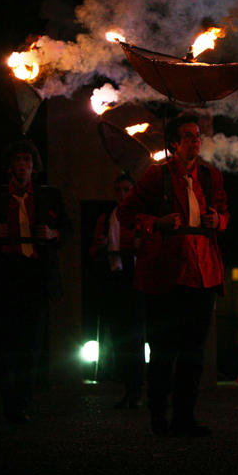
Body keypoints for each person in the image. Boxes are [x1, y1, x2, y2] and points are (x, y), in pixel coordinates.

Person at [118, 114, 228, 437]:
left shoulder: (211, 177)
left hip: (203, 272)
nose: (195, 141)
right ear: (174, 144)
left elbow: (224, 212)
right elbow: (126, 213)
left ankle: (184, 417)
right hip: (166, 273)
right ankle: (158, 415)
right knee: (164, 349)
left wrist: (218, 221)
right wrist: (157, 223)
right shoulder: (157, 176)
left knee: (194, 352)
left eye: (197, 135)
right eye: (188, 136)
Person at [0, 140, 69, 424]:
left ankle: (21, 401)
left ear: (34, 166)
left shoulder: (48, 196)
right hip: (5, 275)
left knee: (31, 342)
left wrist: (53, 234)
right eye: (18, 160)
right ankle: (9, 398)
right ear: (10, 166)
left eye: (27, 160)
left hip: (35, 275)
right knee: (6, 341)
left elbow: (67, 228)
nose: (23, 165)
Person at [90, 174, 145, 408]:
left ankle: (136, 388)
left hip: (136, 281)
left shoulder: (140, 218)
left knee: (135, 336)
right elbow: (94, 251)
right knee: (120, 337)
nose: (122, 195)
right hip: (115, 281)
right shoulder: (107, 218)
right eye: (119, 190)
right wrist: (101, 246)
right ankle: (129, 388)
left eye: (126, 190)